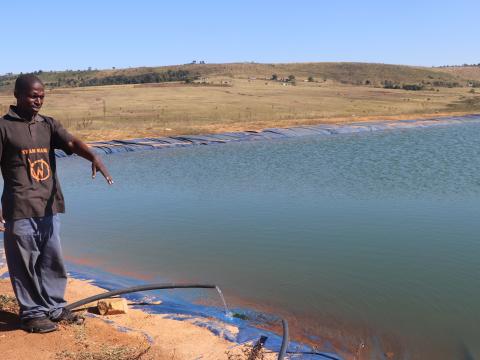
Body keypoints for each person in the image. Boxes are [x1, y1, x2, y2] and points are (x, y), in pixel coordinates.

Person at [0, 74, 113, 333]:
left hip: (49, 206)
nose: (38, 100)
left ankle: (53, 307)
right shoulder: (3, 127)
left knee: (52, 260)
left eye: (41, 96)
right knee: (24, 263)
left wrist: (93, 155)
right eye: (32, 95)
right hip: (19, 207)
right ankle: (31, 313)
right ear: (17, 95)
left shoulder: (48, 125)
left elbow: (71, 142)